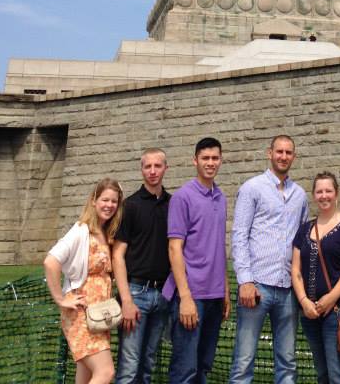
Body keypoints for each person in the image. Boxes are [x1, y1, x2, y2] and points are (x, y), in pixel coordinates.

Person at [229, 134, 308, 384]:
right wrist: (245, 281)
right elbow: (239, 236)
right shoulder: (252, 188)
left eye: (288, 152)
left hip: (287, 290)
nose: (283, 156)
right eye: (279, 151)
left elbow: (301, 242)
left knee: (287, 362)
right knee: (244, 360)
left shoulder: (300, 195)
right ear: (269, 153)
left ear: (293, 157)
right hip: (257, 286)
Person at [44, 177, 124, 384]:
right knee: (105, 372)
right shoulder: (81, 231)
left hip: (100, 315)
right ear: (93, 200)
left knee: (85, 376)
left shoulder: (106, 234)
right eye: (105, 200)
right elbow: (51, 261)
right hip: (81, 313)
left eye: (114, 201)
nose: (109, 205)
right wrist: (61, 299)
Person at [163, 137, 230, 384]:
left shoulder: (221, 197)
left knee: (203, 366)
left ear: (221, 161)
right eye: (205, 158)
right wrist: (186, 297)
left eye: (215, 158)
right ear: (195, 160)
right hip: (190, 295)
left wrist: (224, 289)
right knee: (185, 369)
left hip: (214, 296)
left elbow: (218, 246)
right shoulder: (183, 197)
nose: (210, 163)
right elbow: (174, 248)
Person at [292, 172, 340, 384]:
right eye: (319, 191)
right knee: (323, 374)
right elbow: (295, 269)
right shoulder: (305, 229)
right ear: (314, 195)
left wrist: (331, 298)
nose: (324, 196)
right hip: (310, 312)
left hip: (339, 310)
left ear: (337, 194)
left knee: (338, 375)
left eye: (328, 191)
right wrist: (304, 301)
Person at [112, 148, 171, 384]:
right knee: (129, 365)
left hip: (163, 294)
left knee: (148, 363)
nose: (153, 171)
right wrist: (126, 300)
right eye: (148, 166)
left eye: (158, 166)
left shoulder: (173, 204)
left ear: (166, 168)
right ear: (142, 169)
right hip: (136, 293)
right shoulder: (130, 206)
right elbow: (118, 256)